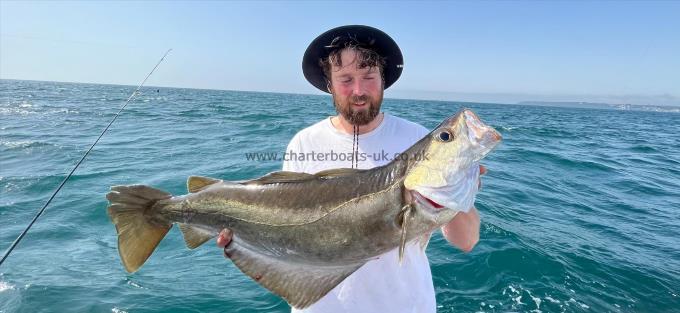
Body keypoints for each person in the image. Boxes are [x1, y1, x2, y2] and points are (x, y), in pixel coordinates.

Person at [217, 25, 484, 313]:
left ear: (383, 81)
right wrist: (244, 240)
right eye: (345, 79)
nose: (359, 91)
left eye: (369, 77)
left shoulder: (417, 140)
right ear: (330, 85)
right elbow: (287, 231)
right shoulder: (304, 142)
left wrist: (458, 190)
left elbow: (466, 241)